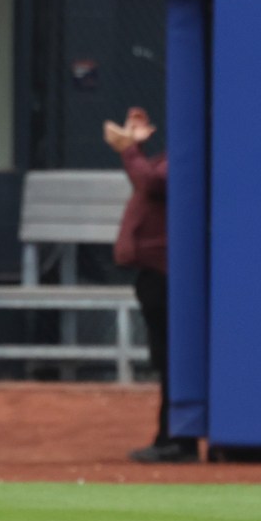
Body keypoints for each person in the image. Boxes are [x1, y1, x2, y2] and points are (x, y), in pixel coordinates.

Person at [103, 107, 198, 463]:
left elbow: (154, 182)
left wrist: (129, 148)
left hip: (168, 273)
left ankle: (178, 440)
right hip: (156, 272)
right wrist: (135, 145)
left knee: (172, 356)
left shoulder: (188, 160)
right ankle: (171, 436)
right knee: (166, 356)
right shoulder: (176, 157)